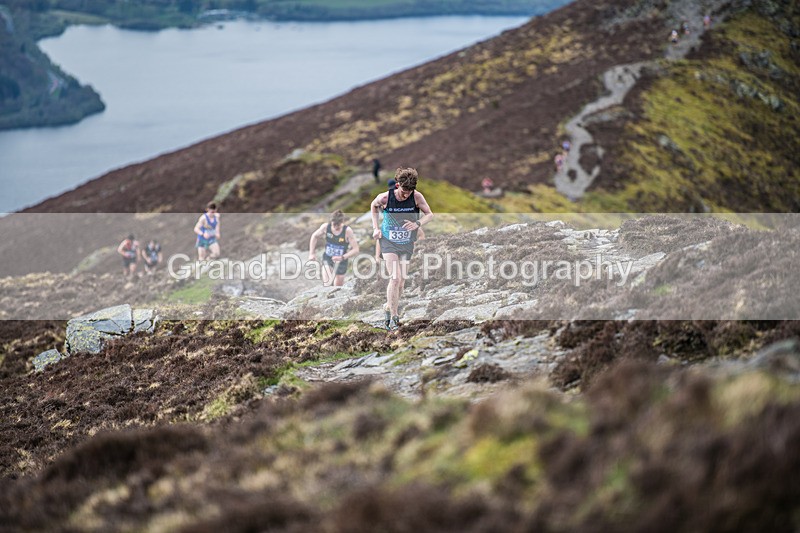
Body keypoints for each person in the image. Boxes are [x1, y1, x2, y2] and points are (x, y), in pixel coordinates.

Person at [371, 167, 433, 330]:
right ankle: (394, 317)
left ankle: (388, 306)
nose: (406, 195)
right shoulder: (385, 197)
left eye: (409, 192)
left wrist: (417, 223)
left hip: (406, 242)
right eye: (404, 192)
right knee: (395, 277)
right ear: (398, 185)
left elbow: (430, 214)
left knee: (402, 283)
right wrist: (375, 228)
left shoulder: (417, 197)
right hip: (388, 241)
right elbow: (373, 206)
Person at [308, 210, 360, 287]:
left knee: (337, 286)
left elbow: (356, 250)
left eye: (338, 225)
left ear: (342, 222)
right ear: (331, 221)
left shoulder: (347, 231)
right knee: (327, 283)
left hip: (341, 261)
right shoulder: (325, 227)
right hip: (328, 258)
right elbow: (314, 236)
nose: (335, 227)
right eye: (334, 225)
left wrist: (342, 257)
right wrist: (311, 253)